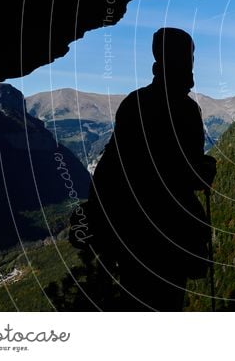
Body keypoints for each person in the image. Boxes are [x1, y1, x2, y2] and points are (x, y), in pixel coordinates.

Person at [88, 27, 216, 311]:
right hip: (171, 233)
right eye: (190, 56)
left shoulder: (135, 103)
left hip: (133, 230)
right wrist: (208, 168)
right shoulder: (185, 110)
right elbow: (187, 174)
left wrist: (96, 216)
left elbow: (111, 164)